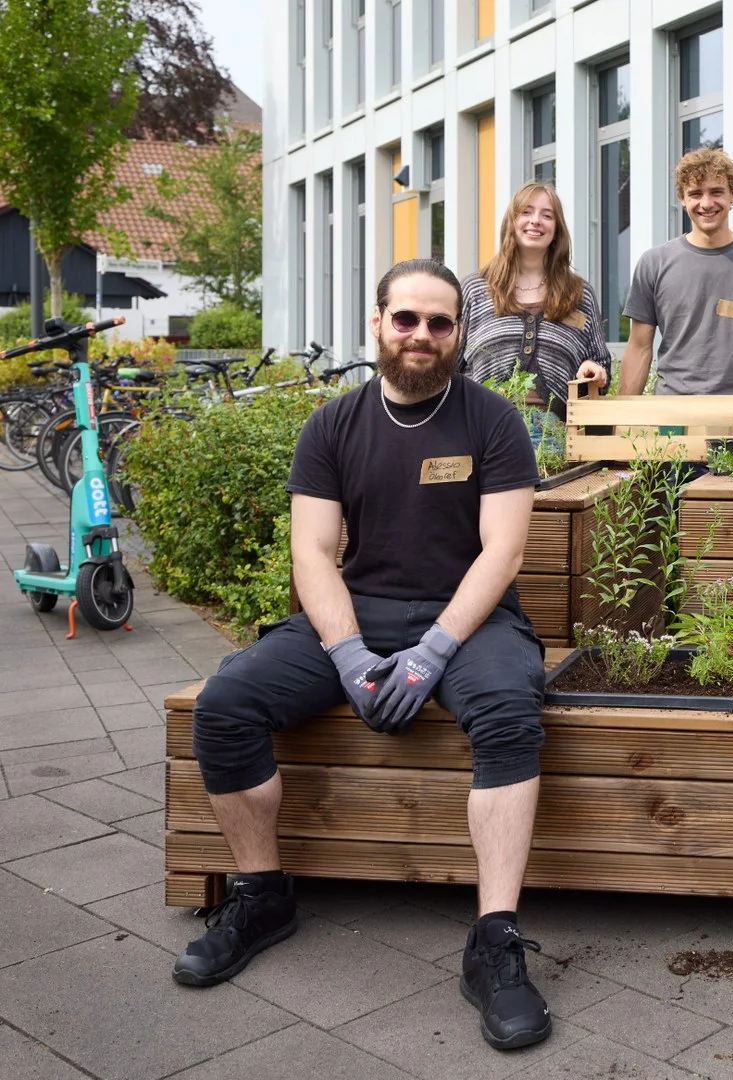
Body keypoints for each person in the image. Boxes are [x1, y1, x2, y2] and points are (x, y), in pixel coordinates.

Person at [172, 259, 554, 1053]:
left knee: (512, 713)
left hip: (472, 621)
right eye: (407, 319)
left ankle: (494, 942)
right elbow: (312, 553)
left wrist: (433, 652)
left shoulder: (492, 422)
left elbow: (503, 553)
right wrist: (348, 655)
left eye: (440, 323)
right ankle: (262, 894)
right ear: (377, 322)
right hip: (360, 613)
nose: (422, 336)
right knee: (226, 704)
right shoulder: (332, 426)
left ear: (460, 334)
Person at [597, 148, 733, 396]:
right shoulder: (654, 263)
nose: (706, 203)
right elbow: (639, 348)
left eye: (716, 192)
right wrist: (624, 422)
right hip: (672, 418)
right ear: (682, 198)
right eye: (695, 194)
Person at [459, 182, 612, 420]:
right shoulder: (475, 289)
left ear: (557, 229)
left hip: (555, 439)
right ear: (511, 222)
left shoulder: (580, 295)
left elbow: (601, 373)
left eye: (547, 215)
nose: (536, 220)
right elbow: (449, 365)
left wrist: (594, 372)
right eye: (526, 212)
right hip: (483, 431)